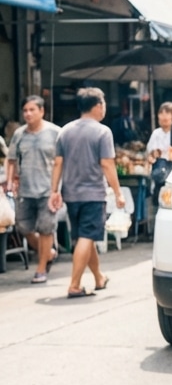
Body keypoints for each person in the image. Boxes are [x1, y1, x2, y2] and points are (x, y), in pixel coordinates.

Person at [48, 87, 125, 298]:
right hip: (93, 194)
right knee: (87, 237)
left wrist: (54, 190)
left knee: (84, 236)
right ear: (99, 106)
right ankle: (74, 285)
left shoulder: (65, 130)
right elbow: (107, 165)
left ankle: (99, 277)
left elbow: (57, 164)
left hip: (71, 194)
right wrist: (118, 193)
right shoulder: (102, 131)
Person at [3, 96, 60, 283]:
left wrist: (58, 188)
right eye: (25, 110)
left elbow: (62, 161)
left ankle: (41, 269)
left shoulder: (55, 133)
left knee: (45, 229)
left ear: (41, 111)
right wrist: (10, 180)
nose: (28, 114)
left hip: (48, 191)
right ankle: (48, 253)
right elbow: (11, 159)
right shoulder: (19, 134)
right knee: (23, 226)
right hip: (25, 190)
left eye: (32, 110)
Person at [147, 101, 172, 201]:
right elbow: (150, 152)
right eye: (161, 113)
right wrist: (153, 154)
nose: (163, 116)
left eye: (167, 113)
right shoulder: (156, 133)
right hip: (159, 173)